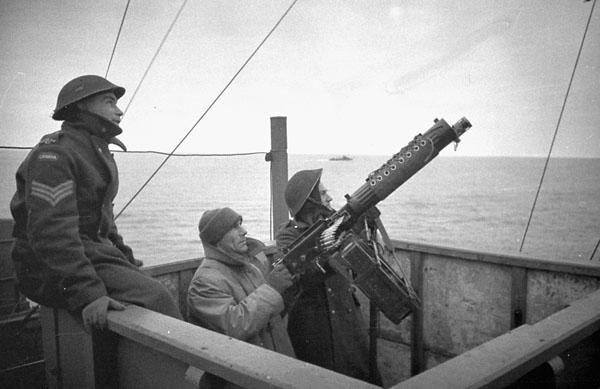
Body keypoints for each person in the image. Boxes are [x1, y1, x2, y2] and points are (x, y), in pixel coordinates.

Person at [10, 75, 182, 333]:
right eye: (109, 101)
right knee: (157, 298)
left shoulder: (93, 149)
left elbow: (103, 221)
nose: (119, 110)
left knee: (153, 287)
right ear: (82, 105)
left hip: (84, 253)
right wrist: (88, 294)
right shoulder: (55, 155)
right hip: (47, 267)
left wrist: (126, 258)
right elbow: (51, 233)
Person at [275, 168, 382, 385]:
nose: (330, 198)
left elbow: (366, 260)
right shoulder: (288, 236)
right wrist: (336, 247)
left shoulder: (337, 225)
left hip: (346, 316)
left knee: (361, 375)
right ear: (310, 202)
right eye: (323, 194)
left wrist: (365, 227)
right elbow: (300, 275)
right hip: (314, 326)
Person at [187, 207, 295, 387]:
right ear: (217, 238)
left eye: (241, 225)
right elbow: (233, 325)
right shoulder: (204, 282)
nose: (244, 231)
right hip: (244, 379)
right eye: (234, 227)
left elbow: (269, 316)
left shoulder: (249, 268)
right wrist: (273, 288)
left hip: (274, 371)